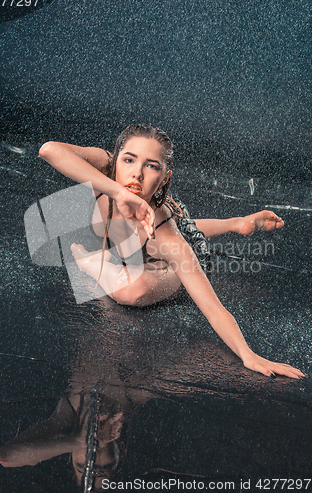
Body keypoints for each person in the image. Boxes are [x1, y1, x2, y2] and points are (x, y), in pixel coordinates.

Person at [39, 124, 305, 380]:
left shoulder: (166, 234)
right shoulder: (108, 170)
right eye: (129, 160)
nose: (137, 174)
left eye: (151, 166)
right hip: (147, 237)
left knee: (132, 289)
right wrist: (119, 193)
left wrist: (248, 355)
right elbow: (49, 150)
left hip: (167, 259)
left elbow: (213, 309)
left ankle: (93, 263)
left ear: (164, 176)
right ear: (116, 159)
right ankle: (236, 223)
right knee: (154, 237)